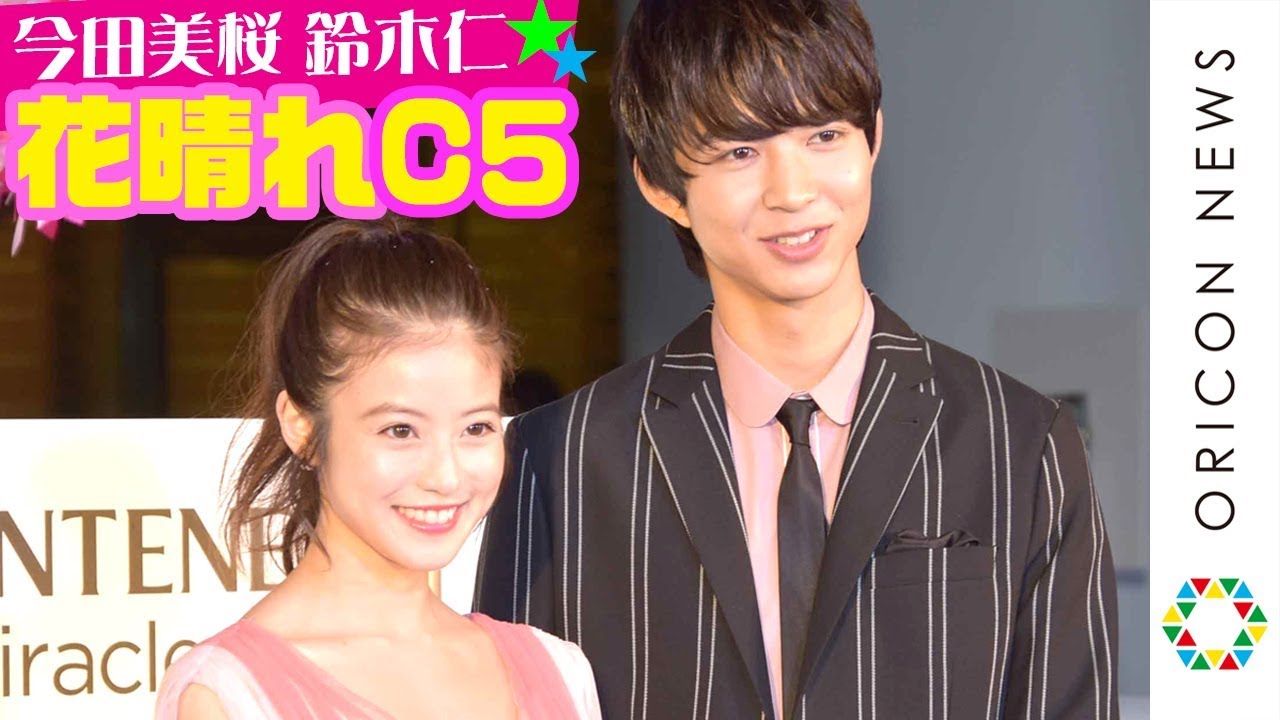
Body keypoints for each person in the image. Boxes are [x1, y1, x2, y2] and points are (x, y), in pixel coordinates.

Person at [474, 1, 1118, 718]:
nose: (793, 192)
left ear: (873, 139)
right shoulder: (559, 459)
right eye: (739, 151)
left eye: (824, 135)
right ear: (660, 186)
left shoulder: (1021, 444)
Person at [156, 219, 601, 719]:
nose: (446, 477)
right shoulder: (231, 696)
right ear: (302, 428)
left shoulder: (557, 669)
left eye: (476, 428)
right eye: (400, 430)